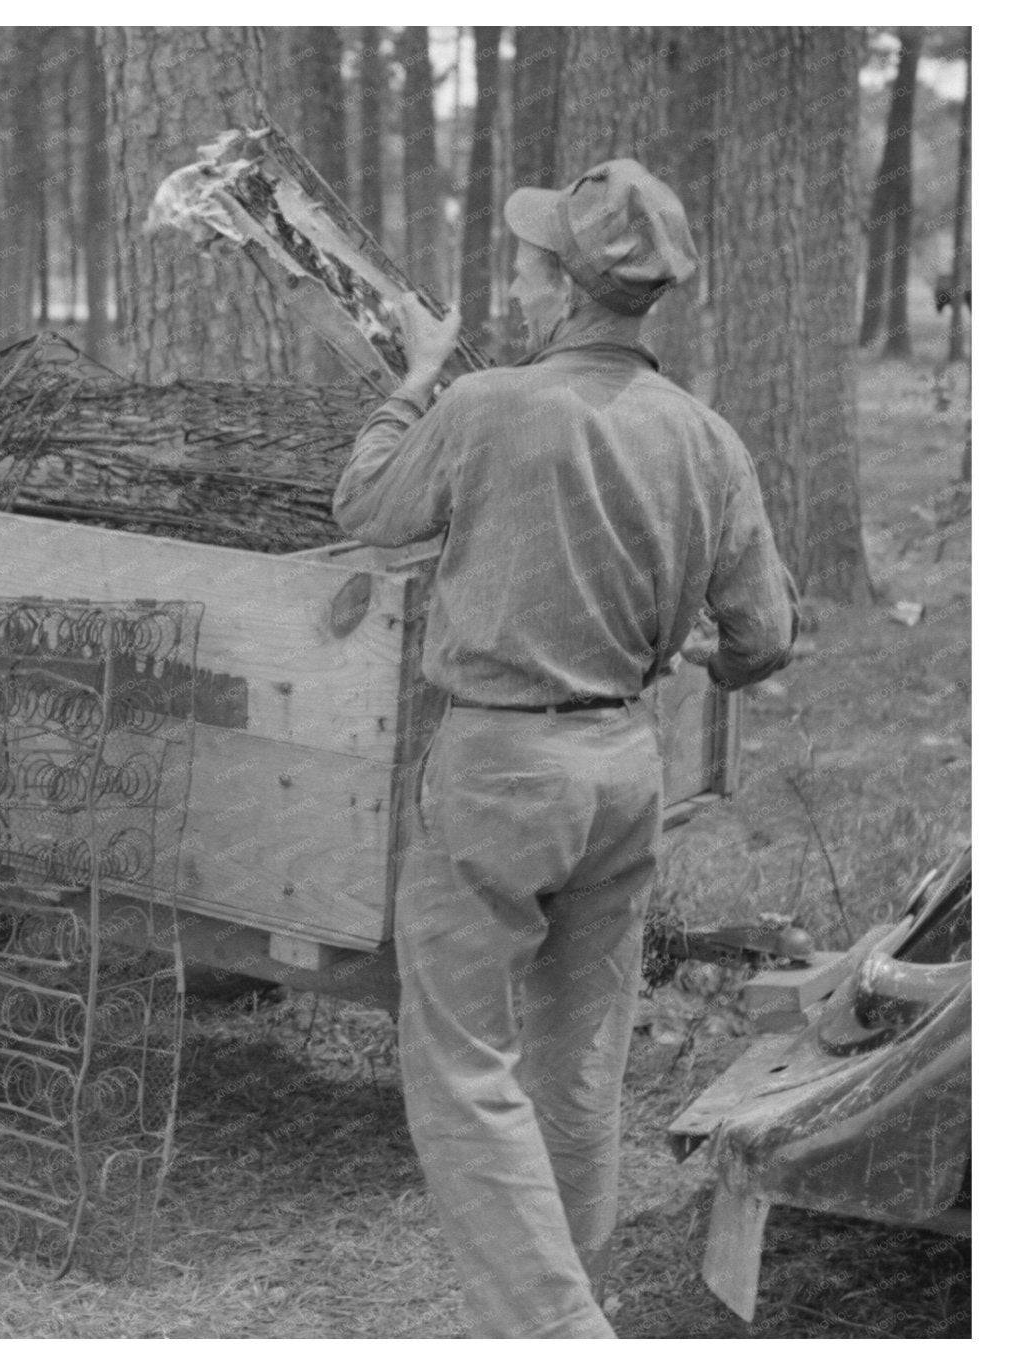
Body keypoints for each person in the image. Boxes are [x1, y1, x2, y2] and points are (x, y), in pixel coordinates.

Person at [333, 160, 799, 1337]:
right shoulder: (705, 438)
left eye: (532, 265)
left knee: (460, 1069)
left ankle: (552, 1332)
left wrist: (417, 379)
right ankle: (570, 1287)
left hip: (496, 776)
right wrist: (705, 656)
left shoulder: (485, 407)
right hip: (620, 770)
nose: (519, 281)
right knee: (579, 1052)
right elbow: (763, 637)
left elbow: (365, 506)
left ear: (567, 291)